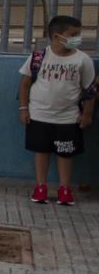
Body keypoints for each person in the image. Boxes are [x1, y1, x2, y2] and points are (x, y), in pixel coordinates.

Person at [19, 14, 95, 205]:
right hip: (39, 115)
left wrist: (87, 114)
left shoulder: (83, 60)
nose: (78, 38)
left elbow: (90, 90)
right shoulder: (38, 57)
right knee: (41, 152)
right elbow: (25, 83)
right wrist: (23, 109)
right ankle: (41, 187)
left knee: (65, 153)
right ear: (56, 36)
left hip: (69, 117)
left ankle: (64, 189)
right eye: (73, 34)